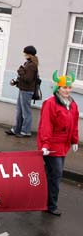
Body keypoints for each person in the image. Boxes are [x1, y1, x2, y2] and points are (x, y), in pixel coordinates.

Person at [38, 71, 79, 217]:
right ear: (58, 88)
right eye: (64, 87)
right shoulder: (50, 103)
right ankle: (51, 205)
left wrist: (75, 140)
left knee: (51, 174)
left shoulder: (73, 104)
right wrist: (45, 145)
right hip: (52, 147)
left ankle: (42, 199)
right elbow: (46, 125)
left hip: (63, 146)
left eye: (69, 87)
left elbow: (74, 124)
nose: (67, 90)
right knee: (56, 174)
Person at [6, 46, 39, 138]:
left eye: (25, 53)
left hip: (27, 91)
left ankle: (25, 131)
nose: (24, 55)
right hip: (23, 89)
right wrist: (16, 81)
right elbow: (24, 77)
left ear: (29, 54)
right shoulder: (28, 63)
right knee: (19, 111)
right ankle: (16, 129)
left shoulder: (32, 65)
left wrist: (20, 70)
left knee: (26, 112)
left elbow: (28, 79)